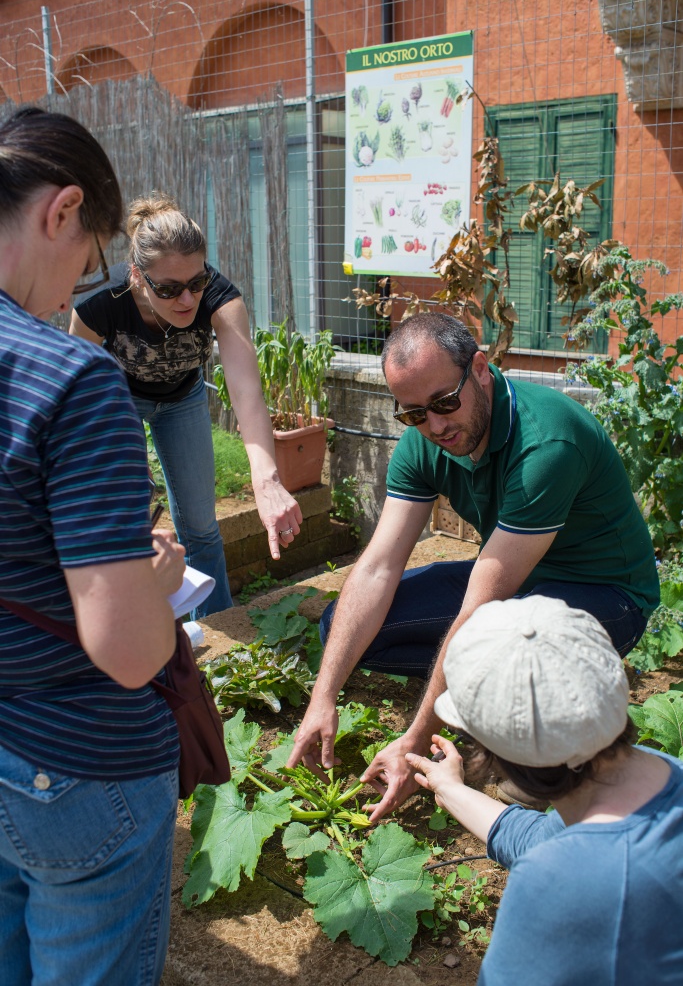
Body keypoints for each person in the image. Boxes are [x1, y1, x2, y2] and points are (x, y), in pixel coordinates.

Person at [288, 312, 659, 819]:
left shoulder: (546, 442)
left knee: (501, 644)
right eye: (414, 414)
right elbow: (377, 567)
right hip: (519, 580)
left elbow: (479, 606)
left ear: (480, 369)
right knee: (344, 626)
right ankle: (491, 699)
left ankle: (528, 726)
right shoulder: (424, 442)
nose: (435, 426)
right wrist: (322, 696)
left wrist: (414, 744)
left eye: (444, 403)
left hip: (605, 596)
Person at [0, 107, 188, 984]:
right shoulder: (69, 377)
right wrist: (155, 583)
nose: (79, 282)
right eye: (93, 253)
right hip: (73, 761)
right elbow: (126, 651)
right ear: (62, 210)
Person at [405, 595, 683, 985]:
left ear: (496, 755)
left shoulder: (558, 884)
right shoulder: (661, 774)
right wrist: (449, 787)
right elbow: (544, 839)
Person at [70, 192, 301, 617]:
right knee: (124, 519)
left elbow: (246, 392)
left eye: (195, 284)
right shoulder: (100, 302)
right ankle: (131, 625)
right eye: (170, 288)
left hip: (183, 399)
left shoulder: (220, 297)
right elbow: (73, 387)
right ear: (138, 276)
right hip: (117, 403)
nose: (187, 301)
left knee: (200, 525)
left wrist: (267, 482)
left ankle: (215, 625)